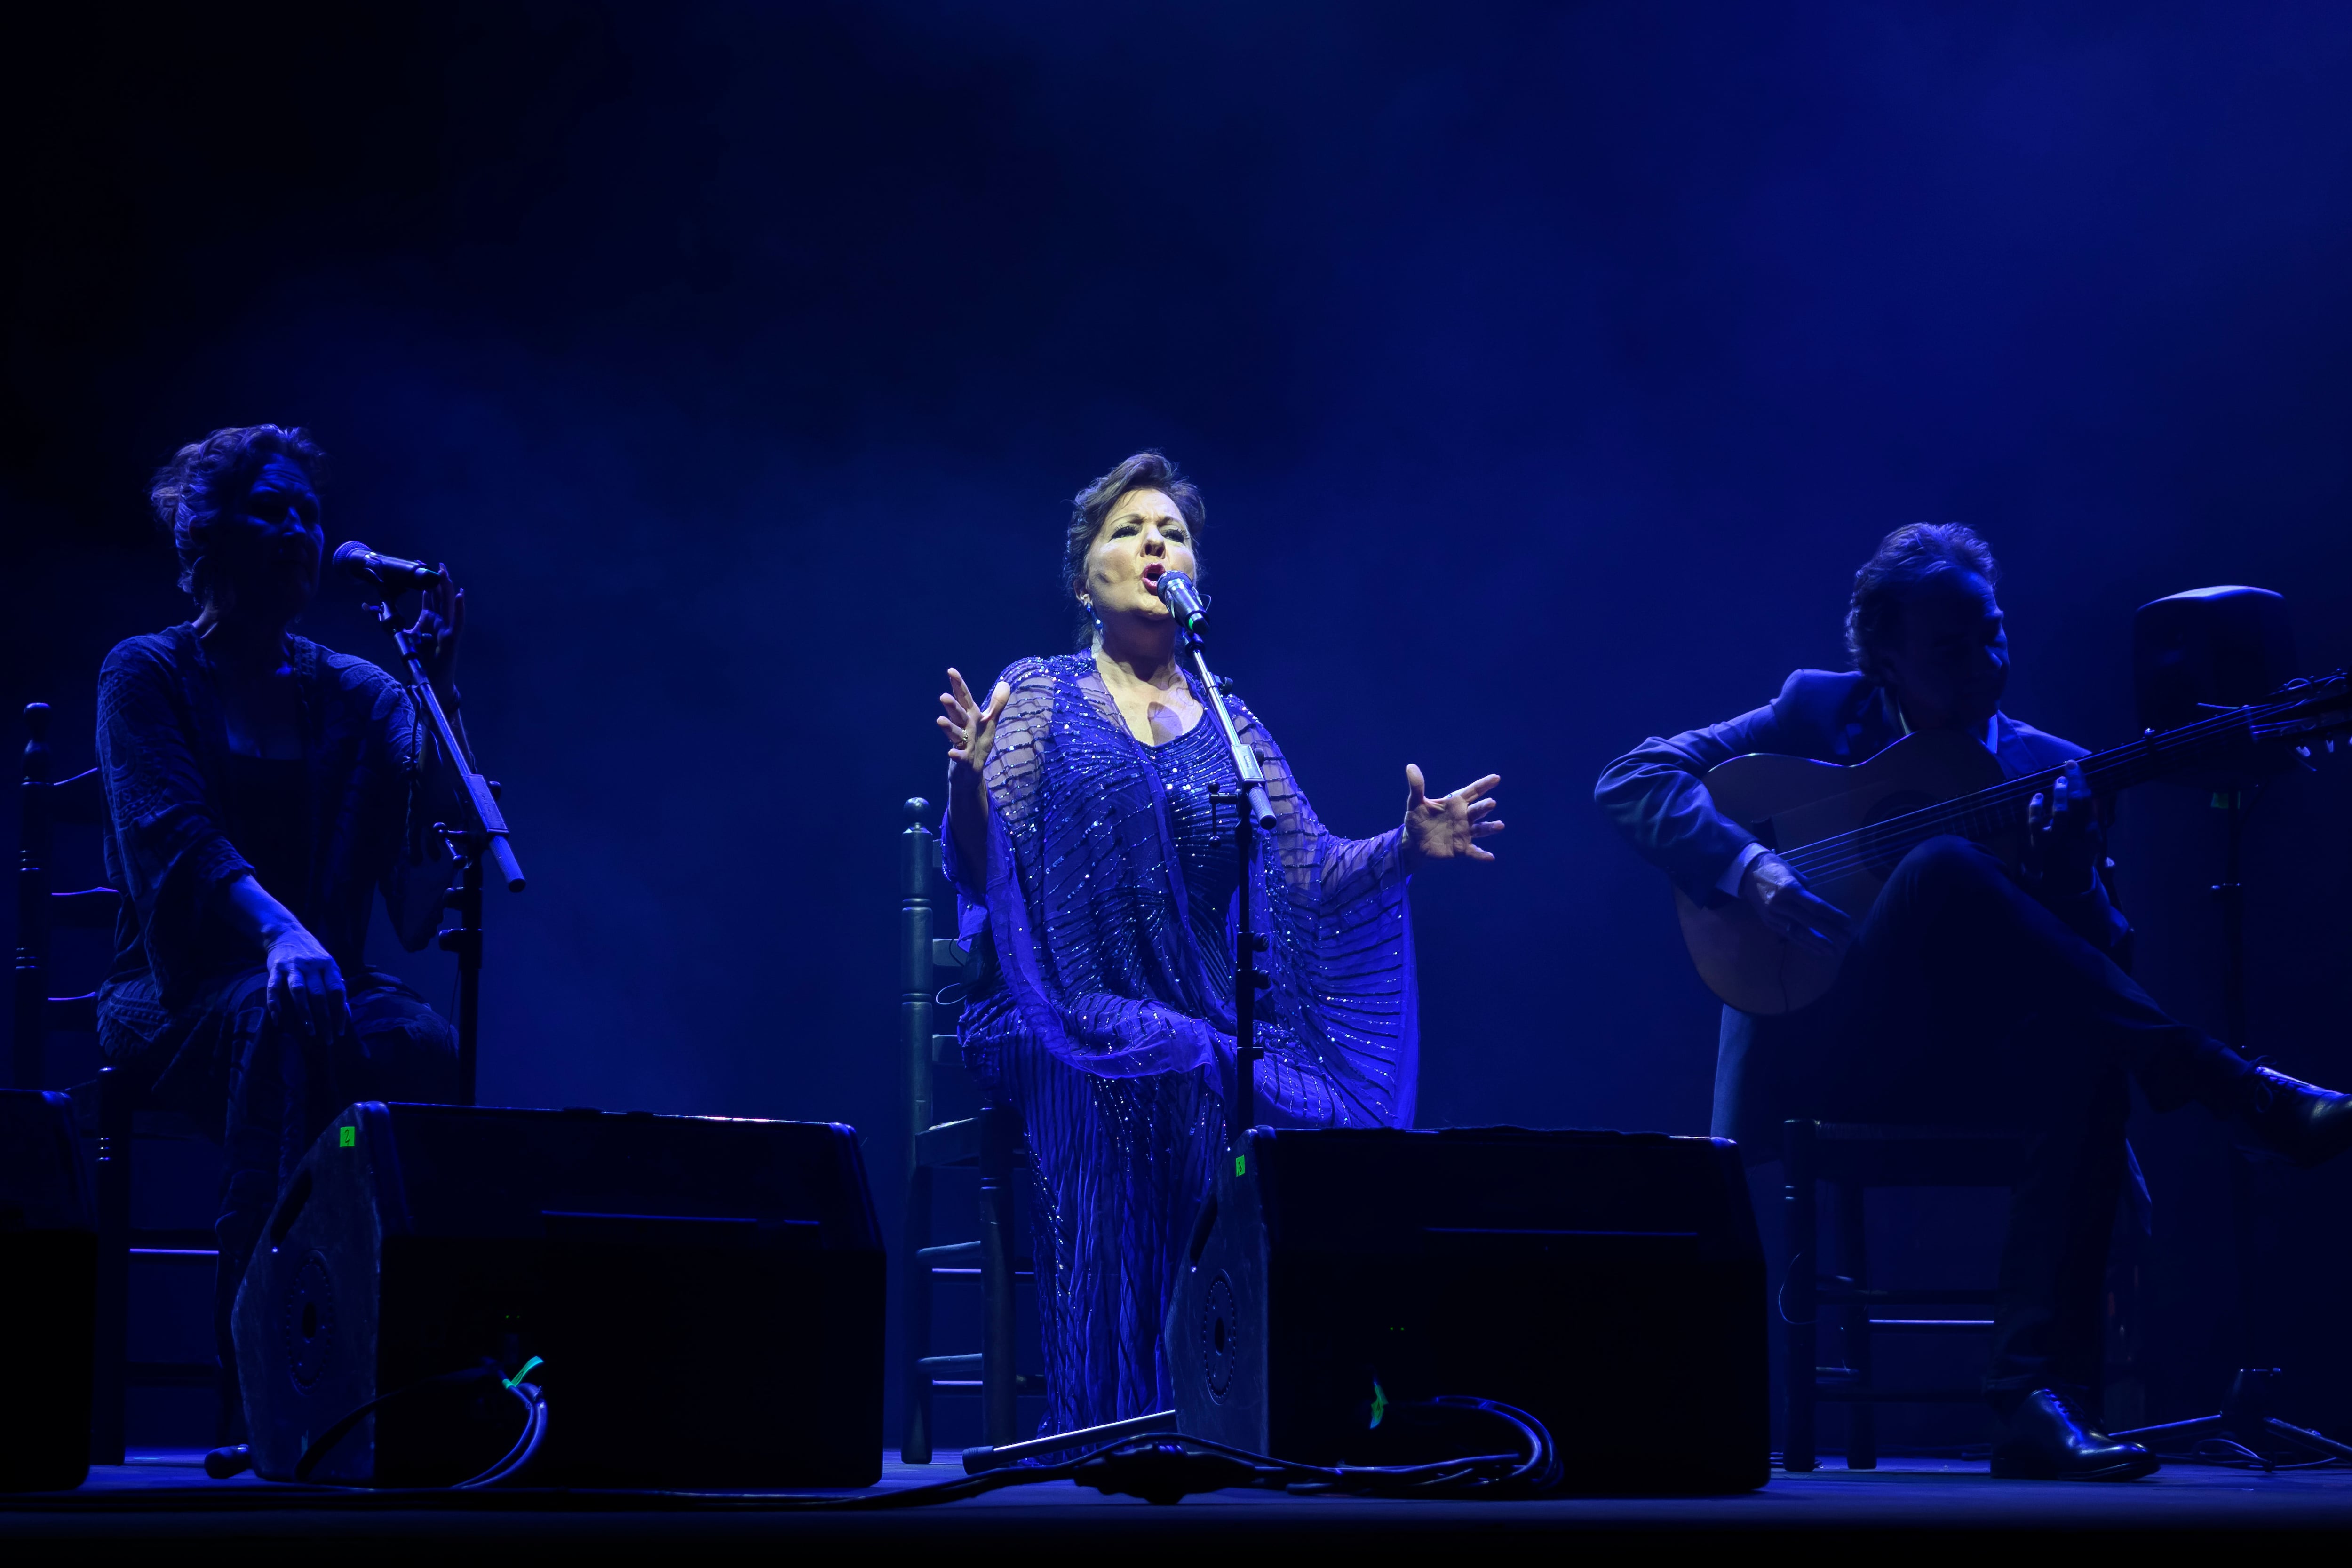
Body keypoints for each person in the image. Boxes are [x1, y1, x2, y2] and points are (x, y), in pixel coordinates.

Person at [1595, 522, 2352, 1482]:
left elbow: (2101, 966)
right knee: (1942, 861)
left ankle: (2033, 1398)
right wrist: (1751, 871)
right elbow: (1631, 779)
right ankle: (2235, 1089)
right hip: (1833, 1047)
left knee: (2083, 1045)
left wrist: (2073, 879)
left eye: (1993, 634)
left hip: (1978, 1067)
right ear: (1885, 652)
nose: (1985, 661)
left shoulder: (2052, 762)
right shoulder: (1814, 712)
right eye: (1952, 646)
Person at [933, 451, 1503, 1434]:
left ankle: (1224, 1407)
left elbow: (1312, 870)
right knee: (1155, 1060)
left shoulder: (1229, 723)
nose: (1156, 542)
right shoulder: (1035, 695)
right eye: (1129, 529)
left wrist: (1403, 850)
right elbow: (980, 870)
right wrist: (965, 785)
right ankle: (1114, 1414)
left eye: (1175, 532)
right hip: (1050, 1010)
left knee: (1235, 1080)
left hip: (1192, 1021)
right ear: (1084, 579)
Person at [95, 424, 468, 1432]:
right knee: (281, 1014)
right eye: (273, 508)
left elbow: (416, 904)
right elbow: (173, 835)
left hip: (322, 987)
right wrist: (280, 936)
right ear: (206, 533)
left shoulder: (365, 692)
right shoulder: (145, 674)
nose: (300, 528)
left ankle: (399, 1348)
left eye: (310, 511)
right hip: (172, 992)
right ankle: (263, 1359)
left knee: (428, 1041)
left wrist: (443, 694)